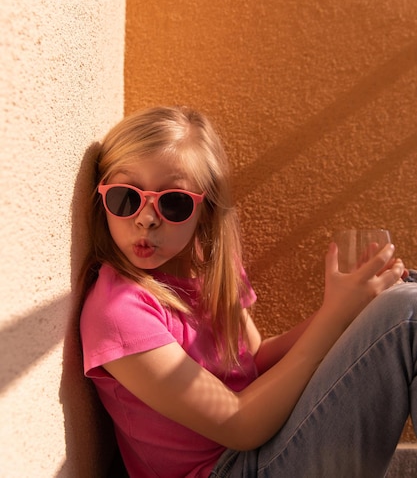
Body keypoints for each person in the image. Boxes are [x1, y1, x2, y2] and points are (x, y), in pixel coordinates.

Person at [79, 105, 417, 478]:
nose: (146, 218)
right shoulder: (119, 311)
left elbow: (253, 359)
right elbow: (239, 424)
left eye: (173, 202)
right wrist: (335, 319)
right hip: (230, 469)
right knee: (406, 315)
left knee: (403, 293)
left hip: (268, 448)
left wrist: (347, 309)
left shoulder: (207, 269)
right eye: (125, 197)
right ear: (102, 200)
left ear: (204, 211)